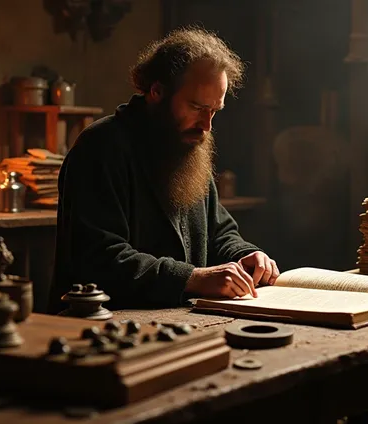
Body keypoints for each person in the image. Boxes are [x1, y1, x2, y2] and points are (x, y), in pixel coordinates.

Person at [48, 27, 279, 312]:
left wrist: (246, 255)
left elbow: (218, 232)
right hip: (102, 325)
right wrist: (193, 278)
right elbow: (100, 257)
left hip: (178, 319)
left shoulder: (188, 141)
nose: (206, 125)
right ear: (156, 91)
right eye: (196, 107)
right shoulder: (101, 146)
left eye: (214, 111)